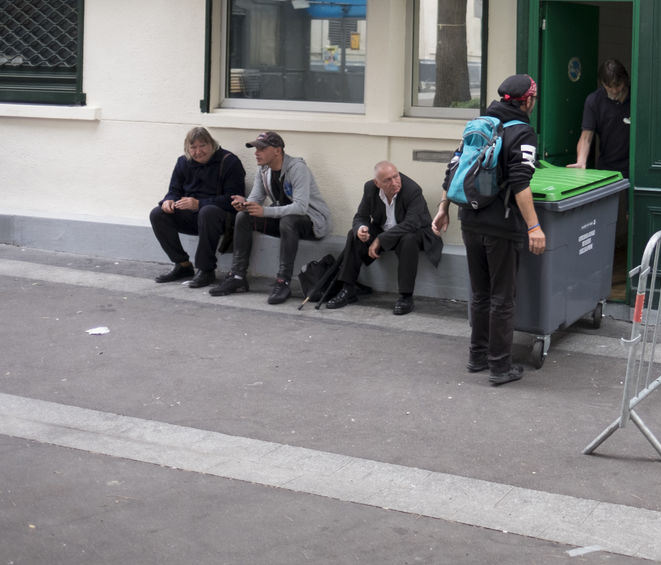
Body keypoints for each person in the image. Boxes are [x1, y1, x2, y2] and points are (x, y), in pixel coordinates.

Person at [432, 74, 546, 386]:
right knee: (502, 298)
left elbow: (454, 167)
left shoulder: (478, 125)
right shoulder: (522, 132)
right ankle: (499, 366)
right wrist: (534, 227)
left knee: (480, 293)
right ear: (527, 101)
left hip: (469, 220)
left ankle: (477, 356)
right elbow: (521, 182)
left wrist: (443, 208)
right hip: (501, 225)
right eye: (533, 99)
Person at [210, 130, 332, 304]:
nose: (256, 153)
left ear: (277, 150)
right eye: (255, 149)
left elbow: (300, 207)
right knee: (243, 216)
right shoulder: (263, 169)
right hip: (283, 220)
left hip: (312, 221)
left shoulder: (298, 168)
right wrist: (245, 204)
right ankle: (237, 276)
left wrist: (265, 211)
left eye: (262, 149)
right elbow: (256, 198)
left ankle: (283, 282)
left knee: (288, 221)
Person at [323, 161, 443, 315]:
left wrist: (380, 239)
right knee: (353, 235)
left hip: (415, 232)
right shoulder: (370, 188)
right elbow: (361, 216)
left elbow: (411, 224)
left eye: (396, 176)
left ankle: (406, 297)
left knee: (408, 240)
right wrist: (361, 229)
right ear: (377, 183)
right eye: (388, 180)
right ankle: (348, 288)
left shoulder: (412, 190)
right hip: (384, 229)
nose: (395, 182)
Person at [149, 126, 247, 288]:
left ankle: (206, 269)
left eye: (203, 146)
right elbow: (174, 190)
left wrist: (199, 204)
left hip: (220, 218)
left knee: (207, 211)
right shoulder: (183, 162)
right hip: (192, 216)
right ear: (187, 149)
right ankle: (182, 264)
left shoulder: (229, 161)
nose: (198, 152)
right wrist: (169, 201)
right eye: (193, 147)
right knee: (157, 213)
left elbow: (234, 198)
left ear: (212, 144)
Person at [568, 58, 630, 177]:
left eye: (618, 85)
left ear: (625, 80)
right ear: (602, 83)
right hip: (607, 168)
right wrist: (581, 161)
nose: (614, 90)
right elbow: (586, 137)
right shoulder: (594, 101)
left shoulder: (636, 98)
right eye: (609, 86)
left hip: (634, 168)